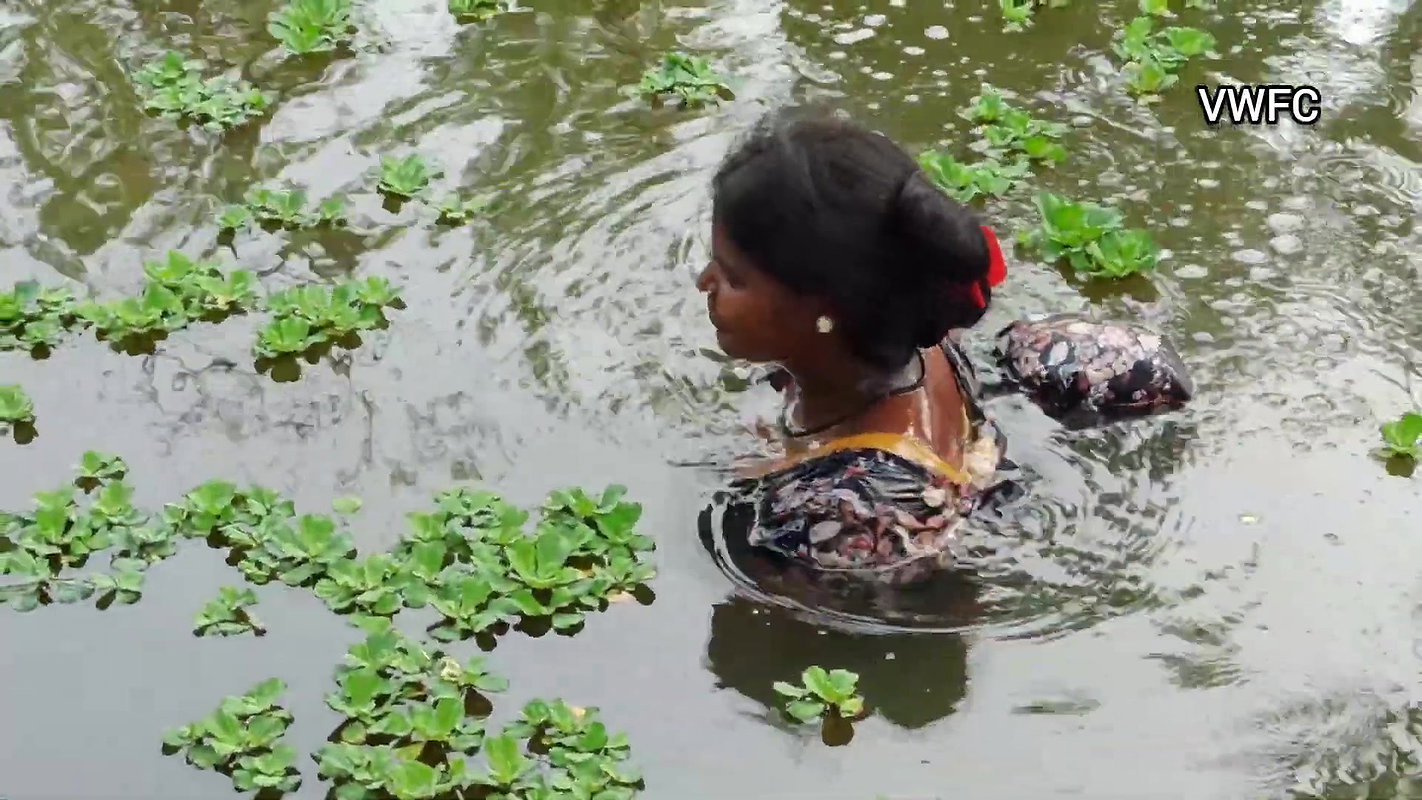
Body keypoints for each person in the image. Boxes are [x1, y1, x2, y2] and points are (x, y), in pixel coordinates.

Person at [695, 108, 1192, 586]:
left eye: (733, 277)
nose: (705, 283)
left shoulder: (848, 514)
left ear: (824, 310)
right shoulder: (917, 336)